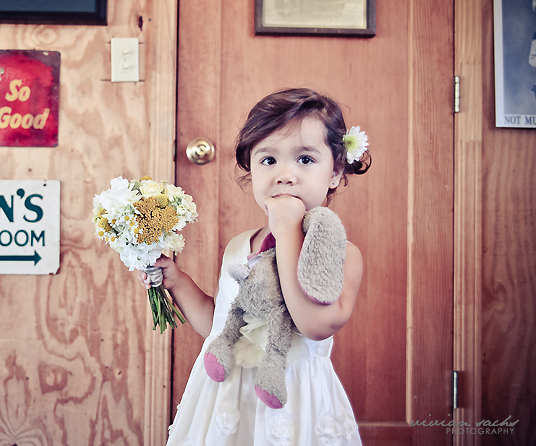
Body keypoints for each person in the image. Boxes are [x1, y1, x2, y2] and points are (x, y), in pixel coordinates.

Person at [139, 88, 370, 445]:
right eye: (268, 160)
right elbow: (220, 327)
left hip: (292, 402)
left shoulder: (341, 253)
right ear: (251, 169)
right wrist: (177, 281)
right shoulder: (239, 246)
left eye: (305, 159)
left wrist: (288, 230)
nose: (285, 175)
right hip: (226, 401)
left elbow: (315, 325)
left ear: (336, 172)